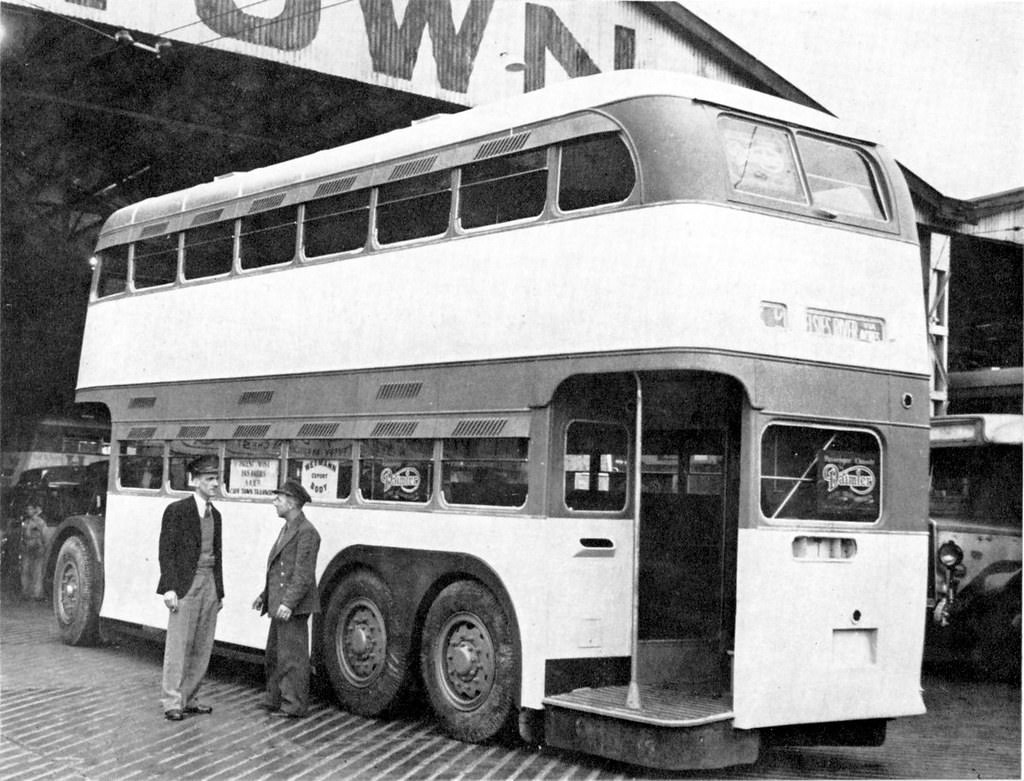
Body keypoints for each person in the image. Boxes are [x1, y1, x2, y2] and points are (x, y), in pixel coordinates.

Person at [157, 455, 224, 721]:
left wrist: (219, 591)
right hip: (186, 584)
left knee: (202, 644)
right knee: (178, 645)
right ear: (193, 481)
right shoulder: (177, 511)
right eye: (209, 479)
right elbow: (166, 552)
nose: (215, 484)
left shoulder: (215, 515)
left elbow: (218, 554)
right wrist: (170, 588)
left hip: (209, 583)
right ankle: (172, 701)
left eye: (216, 479)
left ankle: (191, 697)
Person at [252, 479, 321, 718]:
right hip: (280, 602)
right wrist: (265, 595)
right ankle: (275, 698)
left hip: (291, 606)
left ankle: (293, 706)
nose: (274, 503)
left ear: (291, 503)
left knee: (292, 657)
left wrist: (288, 603)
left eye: (278, 499)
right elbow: (279, 568)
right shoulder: (290, 528)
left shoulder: (307, 532)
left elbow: (302, 574)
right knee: (275, 654)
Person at [19, 497, 51, 600]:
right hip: (27, 548)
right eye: (27, 509)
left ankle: (37, 593)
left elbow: (45, 535)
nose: (28, 511)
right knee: (26, 570)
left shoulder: (40, 522)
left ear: (35, 509)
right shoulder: (26, 522)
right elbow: (23, 535)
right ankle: (26, 592)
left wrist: (44, 546)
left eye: (30, 509)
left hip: (37, 549)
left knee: (37, 571)